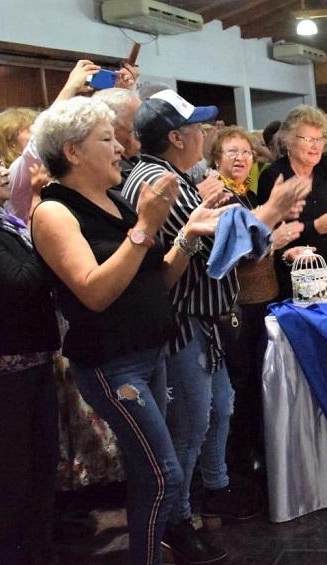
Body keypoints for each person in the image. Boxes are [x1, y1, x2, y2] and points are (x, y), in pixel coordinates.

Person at [30, 96, 225, 565]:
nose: (121, 146)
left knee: (148, 475)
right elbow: (93, 293)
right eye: (106, 139)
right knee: (164, 477)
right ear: (73, 152)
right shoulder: (54, 212)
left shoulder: (114, 199)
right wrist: (145, 226)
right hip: (112, 362)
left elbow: (158, 278)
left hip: (150, 352)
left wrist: (188, 235)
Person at [123, 90, 307, 560]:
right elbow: (217, 254)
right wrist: (272, 210)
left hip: (204, 322)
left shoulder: (178, 176)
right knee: (190, 422)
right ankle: (176, 519)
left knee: (219, 407)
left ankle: (214, 488)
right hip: (184, 323)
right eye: (198, 127)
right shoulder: (159, 182)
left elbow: (221, 233)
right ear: (175, 136)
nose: (206, 134)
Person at [0, 135, 61, 565]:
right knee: (12, 475)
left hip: (33, 361)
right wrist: (47, 227)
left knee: (42, 467)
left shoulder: (0, 221)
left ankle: (38, 551)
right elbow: (22, 283)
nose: (3, 170)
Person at [206, 126, 302, 477]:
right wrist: (275, 239)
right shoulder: (219, 198)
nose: (240, 158)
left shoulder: (244, 195)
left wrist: (285, 249)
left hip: (263, 297)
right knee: (241, 384)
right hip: (238, 305)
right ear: (215, 159)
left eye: (246, 152)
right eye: (231, 152)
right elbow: (232, 254)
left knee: (257, 381)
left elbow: (261, 247)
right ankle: (236, 468)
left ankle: (256, 456)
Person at [257, 105, 327, 283]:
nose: (316, 146)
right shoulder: (272, 176)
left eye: (320, 139)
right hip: (296, 277)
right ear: (288, 140)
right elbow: (271, 232)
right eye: (308, 139)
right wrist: (316, 226)